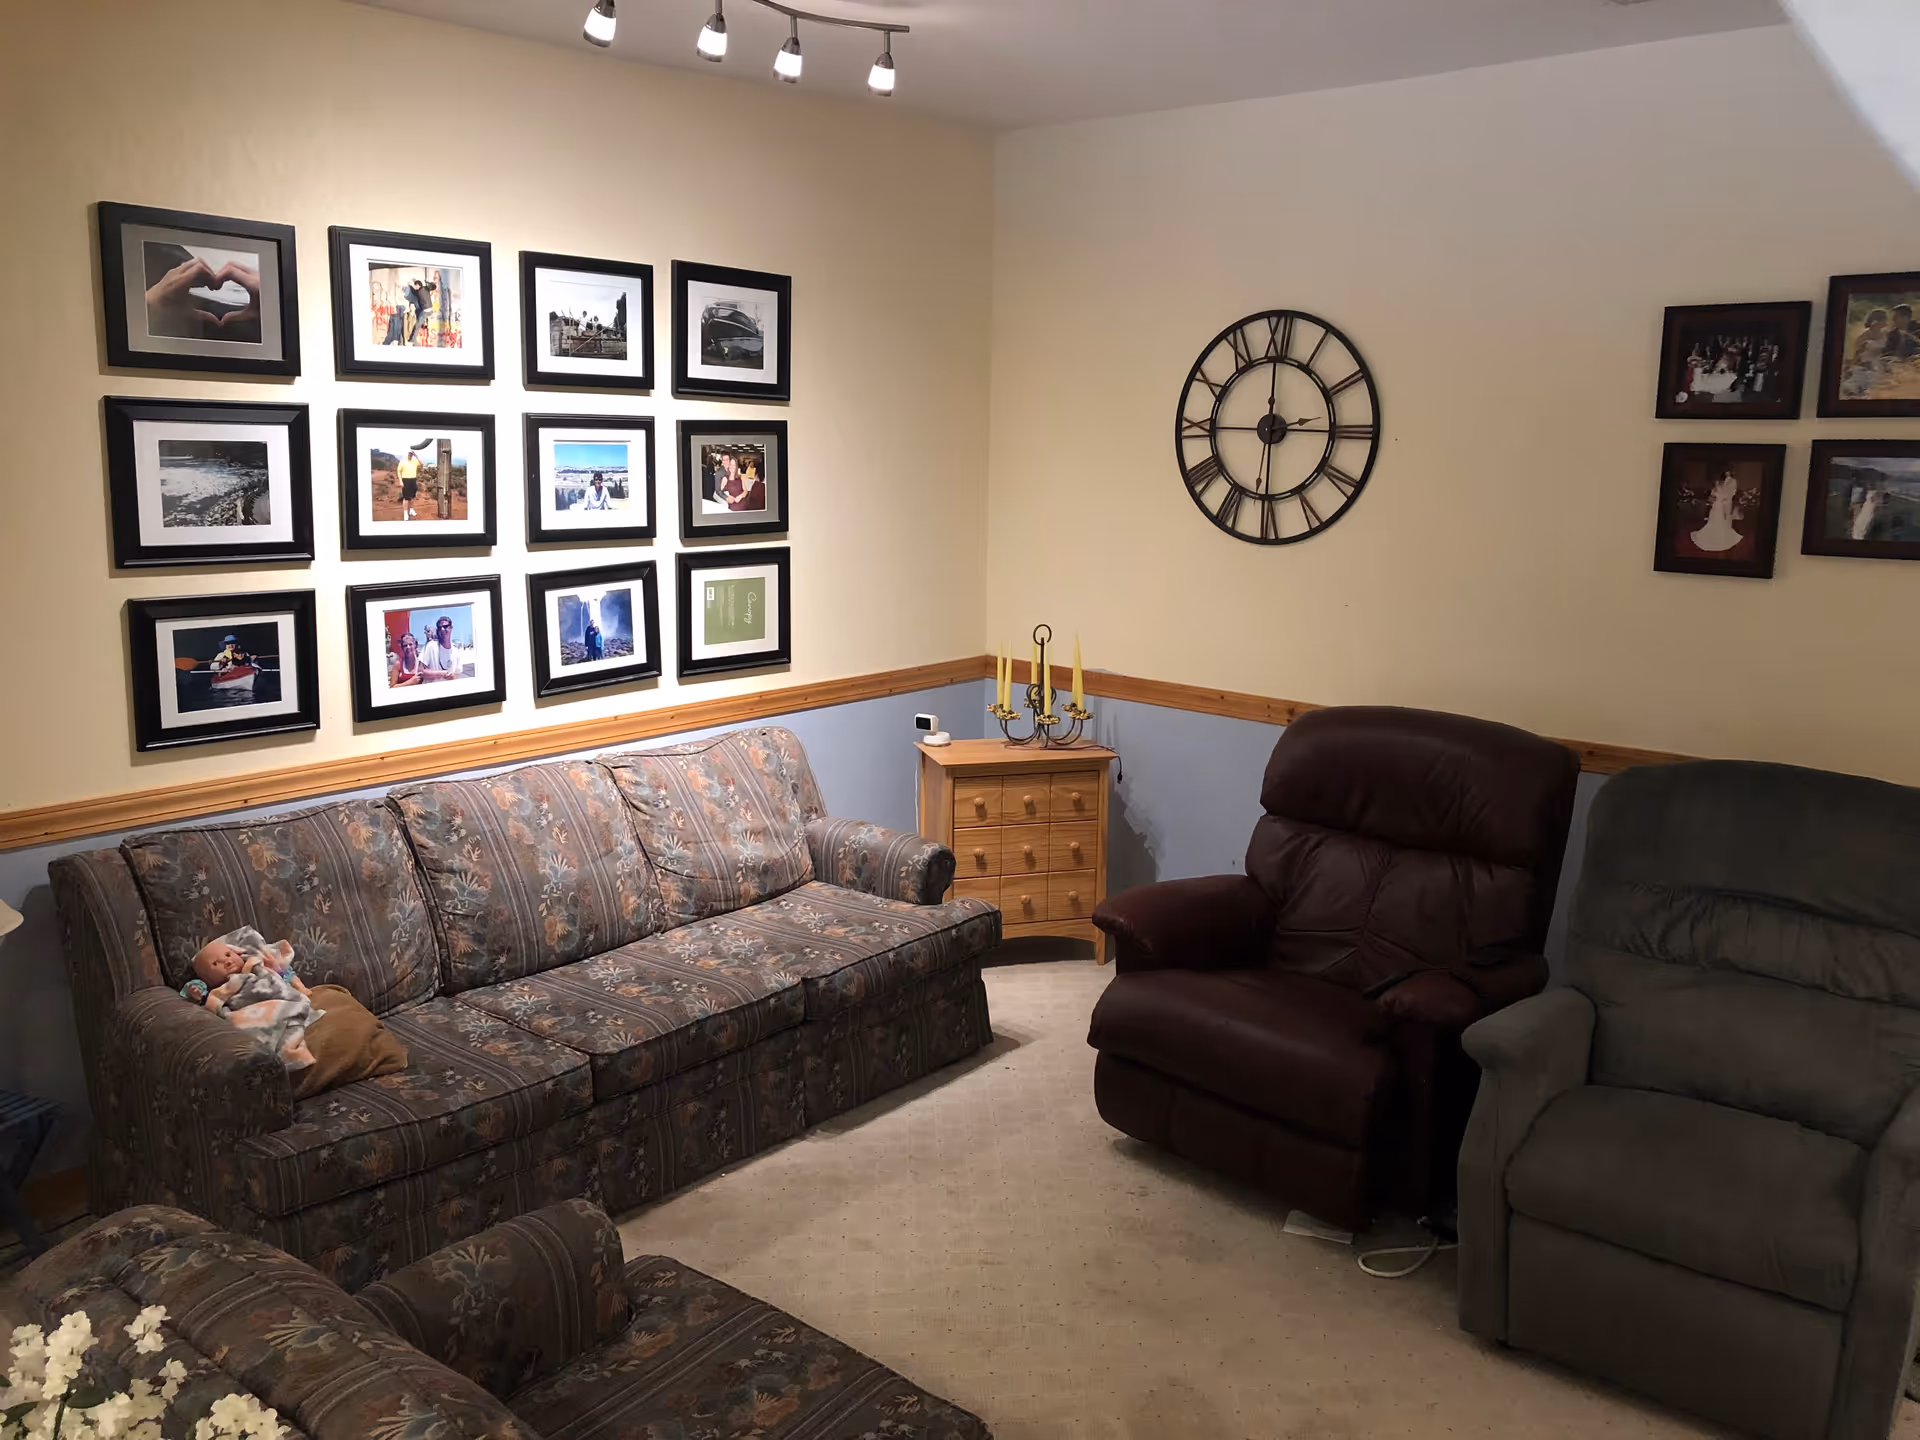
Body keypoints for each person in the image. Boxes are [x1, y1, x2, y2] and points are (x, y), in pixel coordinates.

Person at [1690, 467, 1745, 553]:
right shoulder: (1718, 482)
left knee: (1724, 521)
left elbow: (1731, 492)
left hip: (1725, 504)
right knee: (1714, 520)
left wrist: (1724, 499)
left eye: (1729, 471)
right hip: (1717, 504)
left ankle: (1723, 538)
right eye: (1726, 471)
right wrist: (1714, 496)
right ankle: (1712, 537)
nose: (1727, 473)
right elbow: (1714, 493)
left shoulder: (1733, 481)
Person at [418, 615, 461, 682]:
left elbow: (457, 675)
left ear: (451, 628)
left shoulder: (456, 652)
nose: (442, 629)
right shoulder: (430, 646)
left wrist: (453, 676)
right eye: (439, 627)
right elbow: (421, 671)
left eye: (445, 626)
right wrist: (443, 673)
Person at [405, 276, 437, 345]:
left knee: (417, 325)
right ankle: (424, 323)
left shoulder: (419, 291)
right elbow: (434, 287)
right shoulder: (426, 288)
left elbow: (413, 293)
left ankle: (412, 339)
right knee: (419, 313)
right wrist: (428, 283)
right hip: (430, 310)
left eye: (416, 286)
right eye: (415, 286)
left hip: (426, 311)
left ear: (419, 285)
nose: (416, 287)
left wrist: (409, 287)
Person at [396, 449, 422, 520]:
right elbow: (398, 471)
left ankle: (411, 510)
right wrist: (401, 481)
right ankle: (405, 513)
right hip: (406, 480)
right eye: (409, 453)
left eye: (411, 454)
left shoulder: (414, 461)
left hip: (413, 480)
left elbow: (421, 463)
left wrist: (416, 456)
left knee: (412, 497)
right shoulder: (403, 461)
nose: (410, 455)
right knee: (406, 498)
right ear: (407, 454)